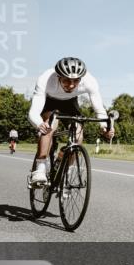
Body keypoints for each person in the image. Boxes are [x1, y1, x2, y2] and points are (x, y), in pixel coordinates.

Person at [27, 57, 114, 186]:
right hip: (49, 101)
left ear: (81, 79)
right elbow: (33, 112)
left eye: (76, 81)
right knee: (49, 125)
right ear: (58, 77)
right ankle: (40, 168)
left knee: (78, 134)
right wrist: (39, 124)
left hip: (70, 102)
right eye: (66, 80)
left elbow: (99, 108)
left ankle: (64, 166)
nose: (71, 85)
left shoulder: (89, 81)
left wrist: (104, 126)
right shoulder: (45, 79)